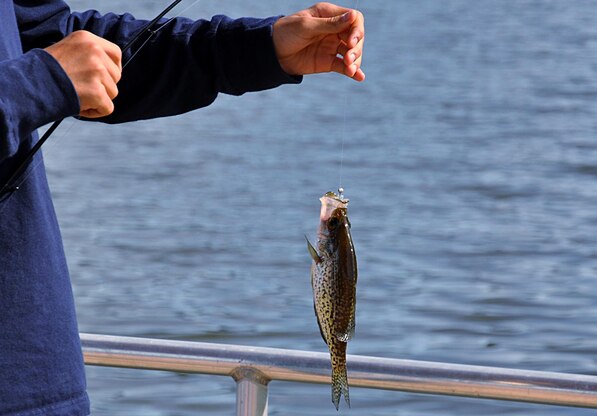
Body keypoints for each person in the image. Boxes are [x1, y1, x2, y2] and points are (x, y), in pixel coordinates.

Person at [0, 1, 364, 414]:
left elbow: (65, 42)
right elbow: (50, 66)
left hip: (37, 379)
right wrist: (41, 81)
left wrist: (261, 48)